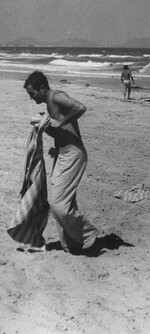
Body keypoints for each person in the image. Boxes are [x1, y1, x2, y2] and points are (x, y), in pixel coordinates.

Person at [24, 71, 98, 254]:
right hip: (63, 154)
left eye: (32, 93)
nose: (31, 98)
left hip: (73, 154)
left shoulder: (57, 96)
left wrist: (59, 123)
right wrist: (56, 146)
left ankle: (88, 233)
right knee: (65, 202)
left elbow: (80, 108)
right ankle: (72, 245)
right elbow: (65, 129)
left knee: (58, 203)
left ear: (42, 88)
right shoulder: (49, 105)